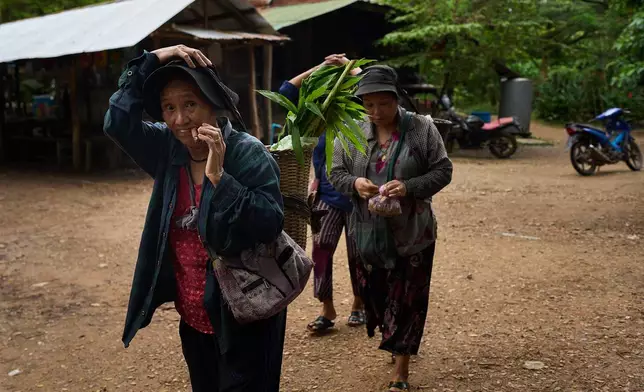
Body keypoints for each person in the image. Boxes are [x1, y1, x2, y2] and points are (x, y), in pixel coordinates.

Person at [103, 45, 286, 391]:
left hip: (245, 314)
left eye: (190, 104)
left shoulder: (248, 152)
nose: (179, 120)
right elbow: (117, 121)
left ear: (214, 105)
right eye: (168, 108)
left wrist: (221, 179)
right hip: (194, 314)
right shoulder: (167, 149)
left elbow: (270, 221)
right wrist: (154, 57)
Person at [328, 65, 453, 392]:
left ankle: (401, 367)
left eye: (384, 103)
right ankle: (393, 334)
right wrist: (355, 183)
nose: (376, 112)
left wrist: (410, 186)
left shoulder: (421, 129)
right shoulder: (351, 132)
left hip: (413, 234)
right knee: (377, 294)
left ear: (397, 99)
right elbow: (335, 174)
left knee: (408, 297)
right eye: (369, 104)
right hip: (367, 234)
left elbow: (443, 171)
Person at [278, 54, 365, 332]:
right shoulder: (316, 116)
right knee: (322, 251)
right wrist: (322, 66)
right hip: (327, 196)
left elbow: (370, 85)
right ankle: (326, 309)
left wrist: (350, 67)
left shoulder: (361, 113)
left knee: (359, 254)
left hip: (359, 197)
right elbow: (286, 91)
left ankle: (359, 304)